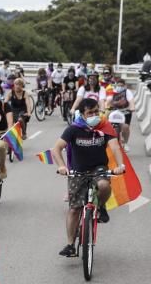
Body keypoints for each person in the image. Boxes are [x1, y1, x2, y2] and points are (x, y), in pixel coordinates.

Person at [51, 97, 126, 257]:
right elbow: (56, 149)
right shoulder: (73, 129)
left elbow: (114, 146)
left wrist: (121, 166)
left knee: (104, 186)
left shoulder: (105, 126)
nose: (94, 115)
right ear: (82, 115)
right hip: (78, 171)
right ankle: (70, 245)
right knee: (74, 209)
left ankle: (101, 207)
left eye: (96, 111)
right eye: (90, 113)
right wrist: (62, 166)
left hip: (99, 168)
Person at [105, 78, 136, 152]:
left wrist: (132, 107)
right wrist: (106, 107)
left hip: (125, 111)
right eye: (118, 85)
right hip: (114, 112)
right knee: (106, 125)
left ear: (124, 86)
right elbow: (107, 101)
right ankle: (106, 142)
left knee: (125, 127)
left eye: (121, 86)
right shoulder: (112, 92)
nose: (120, 87)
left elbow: (131, 101)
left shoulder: (127, 92)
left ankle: (125, 143)